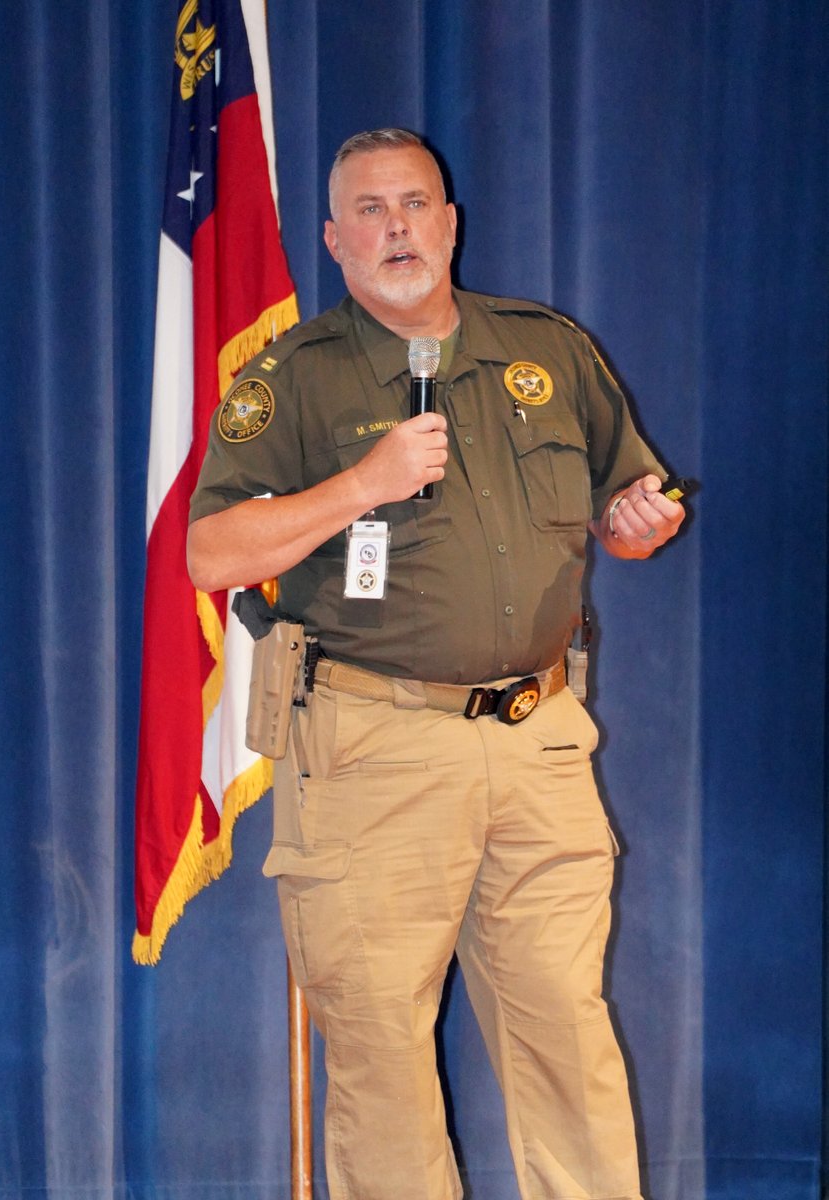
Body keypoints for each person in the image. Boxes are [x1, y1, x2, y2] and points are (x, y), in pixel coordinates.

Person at [188, 128, 684, 1200]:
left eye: (414, 204)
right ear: (332, 239)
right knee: (381, 1060)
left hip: (539, 743)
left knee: (566, 1034)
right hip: (371, 752)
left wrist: (637, 521)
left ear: (450, 221)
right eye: (367, 210)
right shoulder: (292, 382)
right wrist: (359, 485)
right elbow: (211, 551)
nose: (395, 227)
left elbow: (625, 506)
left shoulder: (546, 349)